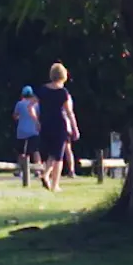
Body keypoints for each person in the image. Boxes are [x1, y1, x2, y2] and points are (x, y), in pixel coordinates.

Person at [35, 62, 78, 192]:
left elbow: (30, 105)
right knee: (58, 156)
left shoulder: (42, 90)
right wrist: (75, 128)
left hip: (46, 124)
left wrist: (36, 120)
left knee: (51, 154)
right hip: (60, 125)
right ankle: (55, 184)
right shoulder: (63, 93)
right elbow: (69, 112)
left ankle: (45, 175)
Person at [14, 86, 41, 179]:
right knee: (35, 151)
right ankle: (38, 170)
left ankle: (19, 170)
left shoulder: (19, 104)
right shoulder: (36, 104)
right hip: (34, 130)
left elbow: (15, 116)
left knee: (21, 151)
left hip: (21, 130)